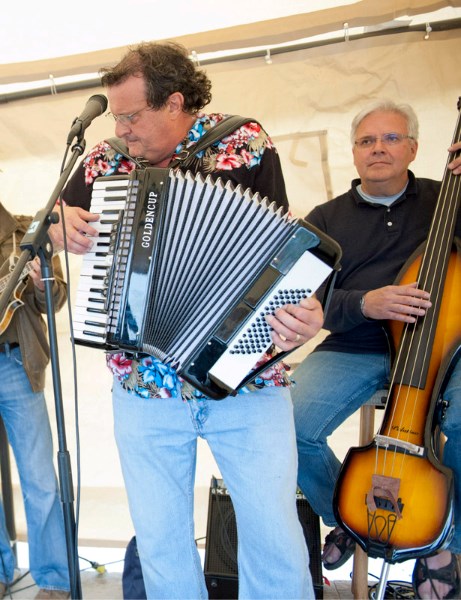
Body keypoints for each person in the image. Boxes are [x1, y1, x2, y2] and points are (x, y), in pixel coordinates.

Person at [49, 41, 325, 599]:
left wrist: (305, 306)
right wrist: (61, 225)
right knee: (160, 542)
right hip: (142, 382)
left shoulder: (243, 143)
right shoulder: (104, 162)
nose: (121, 129)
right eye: (117, 117)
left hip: (245, 377)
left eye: (132, 116)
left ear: (174, 103)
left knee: (274, 536)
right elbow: (57, 219)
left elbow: (285, 250)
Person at [292, 99, 461, 599]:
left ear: (413, 147)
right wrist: (367, 302)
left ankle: (446, 541)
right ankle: (347, 513)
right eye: (367, 141)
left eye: (390, 139)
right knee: (288, 422)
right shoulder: (326, 217)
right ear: (354, 153)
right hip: (358, 344)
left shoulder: (447, 196)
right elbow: (308, 297)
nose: (378, 149)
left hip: (445, 348)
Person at [0, 202, 70, 599]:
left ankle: (55, 579)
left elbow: (54, 301)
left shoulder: (27, 232)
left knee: (40, 478)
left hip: (15, 365)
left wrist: (42, 282)